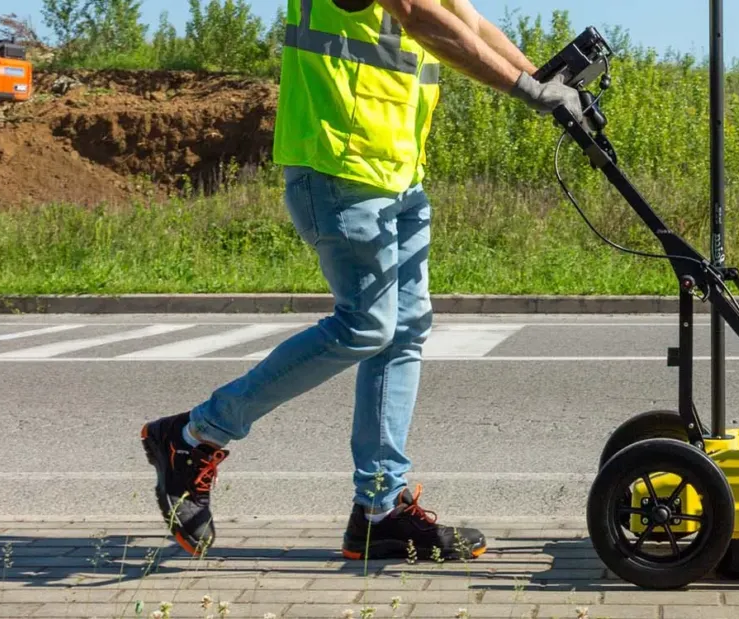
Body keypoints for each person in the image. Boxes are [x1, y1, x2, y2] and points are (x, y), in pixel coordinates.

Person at [139, 0, 589, 561]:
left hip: (398, 172)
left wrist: (548, 82)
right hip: (338, 162)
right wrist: (526, 88)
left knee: (403, 332)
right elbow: (419, 16)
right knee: (366, 326)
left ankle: (379, 511)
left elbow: (468, 23)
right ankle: (194, 436)